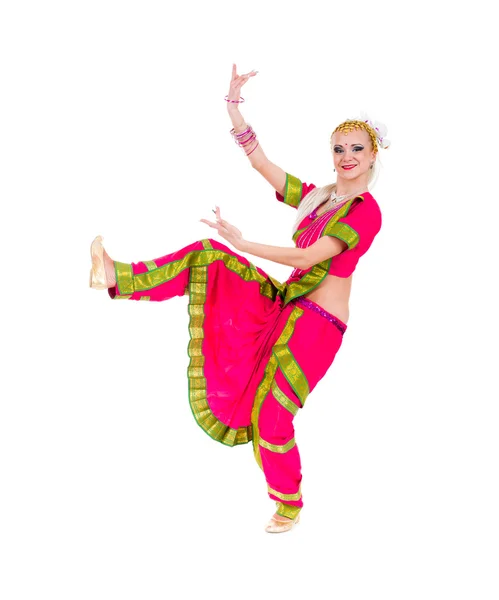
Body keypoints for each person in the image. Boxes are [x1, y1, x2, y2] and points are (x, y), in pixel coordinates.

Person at [89, 64, 390, 533]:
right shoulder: (319, 199)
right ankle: (117, 276)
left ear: (373, 156)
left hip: (317, 326)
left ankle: (288, 503)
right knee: (209, 255)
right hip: (287, 306)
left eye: (357, 149)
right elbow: (263, 166)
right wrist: (233, 109)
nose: (347, 156)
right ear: (331, 157)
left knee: (272, 418)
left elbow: (312, 256)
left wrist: (245, 243)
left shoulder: (366, 212)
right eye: (339, 149)